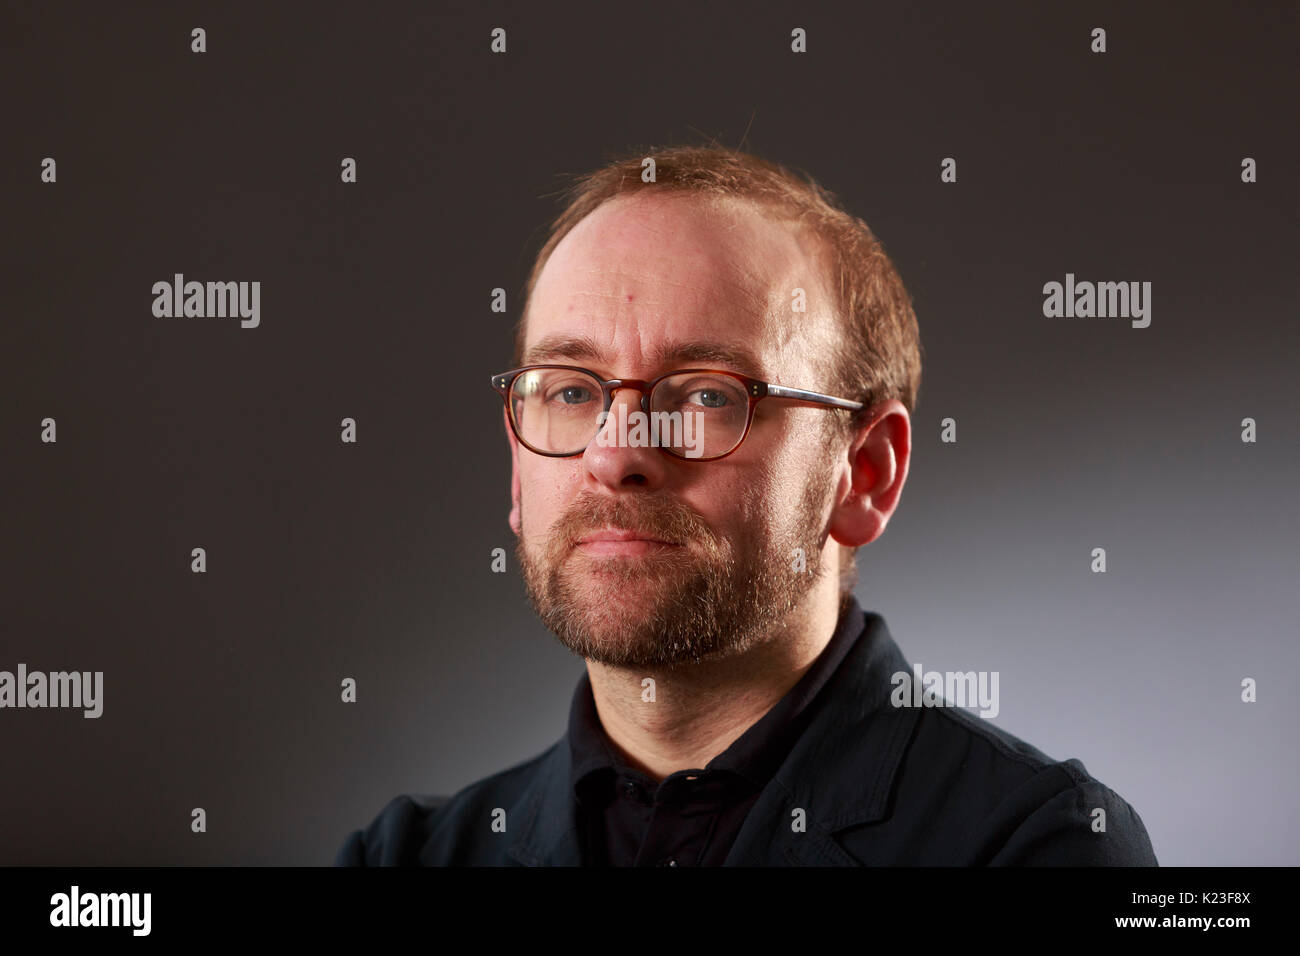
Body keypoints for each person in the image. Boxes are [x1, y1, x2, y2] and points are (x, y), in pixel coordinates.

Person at [334, 145, 1157, 866]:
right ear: (517, 467)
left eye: (705, 394)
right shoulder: (405, 855)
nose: (615, 453)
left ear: (863, 473)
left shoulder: (1040, 848)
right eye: (573, 390)